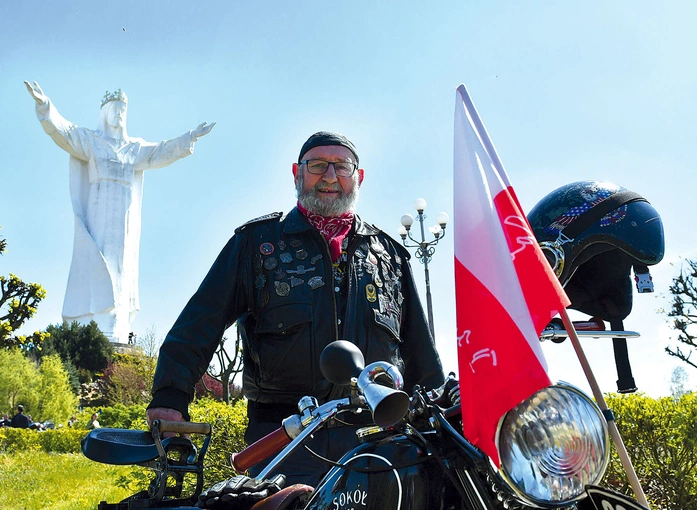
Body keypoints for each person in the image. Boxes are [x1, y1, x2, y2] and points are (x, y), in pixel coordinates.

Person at [147, 132, 446, 488]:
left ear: (359, 177)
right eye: (318, 165)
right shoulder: (256, 244)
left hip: (379, 440)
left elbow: (420, 355)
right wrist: (170, 396)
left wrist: (443, 418)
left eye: (342, 166)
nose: (330, 176)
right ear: (297, 173)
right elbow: (199, 323)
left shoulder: (390, 256)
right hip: (284, 440)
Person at [24, 81, 215, 343]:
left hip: (124, 219)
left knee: (121, 270)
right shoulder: (91, 140)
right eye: (115, 109)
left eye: (123, 111)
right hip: (98, 212)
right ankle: (91, 324)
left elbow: (160, 151)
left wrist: (189, 137)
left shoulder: (133, 148)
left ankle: (116, 327)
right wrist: (46, 107)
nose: (119, 115)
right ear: (104, 112)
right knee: (95, 262)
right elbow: (65, 132)